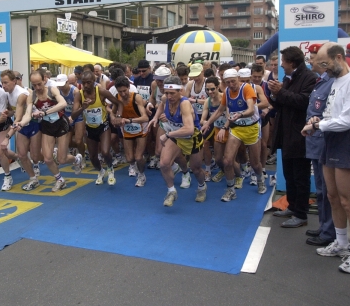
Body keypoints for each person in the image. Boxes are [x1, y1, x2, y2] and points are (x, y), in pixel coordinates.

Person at [301, 42, 350, 274]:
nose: (323, 69)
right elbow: (333, 113)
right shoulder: (336, 80)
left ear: (339, 57)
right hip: (329, 137)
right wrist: (316, 122)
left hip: (347, 139)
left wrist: (318, 124)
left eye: (325, 64)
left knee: (348, 200)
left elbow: (348, 120)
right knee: (332, 196)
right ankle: (341, 243)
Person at [268, 46, 316, 228]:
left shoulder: (309, 78)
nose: (281, 65)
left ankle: (301, 214)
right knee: (289, 174)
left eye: (283, 61)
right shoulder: (290, 78)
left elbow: (303, 102)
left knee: (300, 176)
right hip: (287, 133)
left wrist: (281, 92)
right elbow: (283, 102)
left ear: (292, 62)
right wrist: (274, 95)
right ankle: (292, 206)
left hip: (300, 134)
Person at [203, 69, 266, 201]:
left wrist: (240, 114)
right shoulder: (226, 91)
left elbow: (250, 109)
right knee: (227, 161)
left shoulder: (246, 88)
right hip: (236, 128)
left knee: (255, 164)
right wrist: (208, 123)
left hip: (251, 128)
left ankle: (260, 180)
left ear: (238, 78)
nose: (231, 84)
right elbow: (220, 110)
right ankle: (231, 190)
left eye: (233, 81)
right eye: (228, 82)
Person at [147, 75, 207, 206]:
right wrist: (156, 118)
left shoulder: (184, 104)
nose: (169, 96)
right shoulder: (165, 99)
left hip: (192, 138)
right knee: (163, 163)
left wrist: (168, 135)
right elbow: (162, 106)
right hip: (176, 136)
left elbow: (189, 129)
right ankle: (171, 191)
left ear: (180, 91)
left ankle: (202, 186)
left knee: (196, 169)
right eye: (167, 93)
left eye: (172, 93)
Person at [304, 43, 336, 246]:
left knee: (327, 190)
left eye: (313, 57)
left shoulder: (332, 83)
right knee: (321, 190)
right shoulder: (320, 82)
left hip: (324, 142)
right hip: (315, 142)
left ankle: (330, 232)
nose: (310, 60)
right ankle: (325, 227)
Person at [29, 70, 81, 192]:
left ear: (44, 80)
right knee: (47, 158)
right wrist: (21, 122)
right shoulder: (32, 96)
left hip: (60, 124)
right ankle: (59, 180)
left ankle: (76, 159)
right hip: (47, 126)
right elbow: (27, 113)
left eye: (39, 84)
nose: (37, 87)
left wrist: (45, 112)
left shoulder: (52, 90)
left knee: (62, 159)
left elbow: (62, 103)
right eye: (34, 85)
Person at [71, 71, 123, 186]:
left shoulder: (101, 92)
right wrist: (83, 107)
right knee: (93, 157)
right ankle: (101, 171)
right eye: (83, 83)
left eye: (88, 83)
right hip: (90, 129)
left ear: (93, 82)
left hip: (103, 127)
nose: (85, 86)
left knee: (105, 152)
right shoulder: (79, 95)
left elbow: (119, 103)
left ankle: (110, 169)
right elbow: (73, 115)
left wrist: (118, 116)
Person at [0, 70, 44, 191]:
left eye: (6, 83)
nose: (3, 86)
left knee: (35, 156)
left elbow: (18, 118)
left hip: (33, 123)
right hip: (22, 126)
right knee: (22, 155)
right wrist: (9, 112)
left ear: (14, 81)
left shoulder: (21, 94)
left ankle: (52, 154)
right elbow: (15, 113)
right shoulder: (7, 93)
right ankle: (33, 179)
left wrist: (7, 138)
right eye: (2, 83)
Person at [113, 76, 149, 187]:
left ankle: (142, 175)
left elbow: (145, 118)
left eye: (125, 91)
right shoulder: (117, 98)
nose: (123, 94)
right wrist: (114, 118)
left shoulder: (136, 97)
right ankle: (135, 166)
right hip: (127, 130)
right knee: (129, 159)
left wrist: (129, 120)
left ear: (129, 87)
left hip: (140, 128)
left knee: (138, 157)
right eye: (120, 91)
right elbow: (111, 111)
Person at [57, 73, 86, 163]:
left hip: (77, 116)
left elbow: (80, 106)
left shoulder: (75, 91)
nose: (61, 87)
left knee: (78, 140)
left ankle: (83, 157)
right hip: (66, 117)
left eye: (62, 85)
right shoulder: (58, 91)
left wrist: (72, 116)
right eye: (59, 85)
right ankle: (81, 148)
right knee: (68, 142)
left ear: (67, 82)